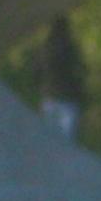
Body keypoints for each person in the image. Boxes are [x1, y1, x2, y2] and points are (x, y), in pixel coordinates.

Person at [38, 14, 89, 143]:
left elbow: (36, 71)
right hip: (68, 97)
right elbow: (81, 70)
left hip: (49, 96)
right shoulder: (70, 48)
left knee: (48, 138)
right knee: (67, 140)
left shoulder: (46, 48)